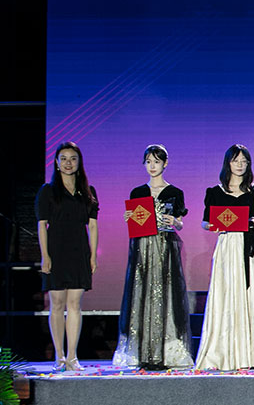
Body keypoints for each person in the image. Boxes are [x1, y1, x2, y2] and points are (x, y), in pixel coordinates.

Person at [112, 144, 193, 370]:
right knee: (141, 292)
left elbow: (180, 223)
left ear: (165, 163)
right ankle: (139, 351)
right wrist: (129, 217)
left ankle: (167, 350)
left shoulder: (174, 192)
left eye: (156, 161)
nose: (152, 166)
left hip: (165, 247)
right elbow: (135, 222)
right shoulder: (138, 192)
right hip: (142, 248)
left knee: (166, 293)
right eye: (148, 162)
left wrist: (175, 222)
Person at [194, 144, 254, 370]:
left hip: (250, 246)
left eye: (244, 161)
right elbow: (205, 222)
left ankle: (253, 355)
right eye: (236, 160)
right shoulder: (215, 192)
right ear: (227, 163)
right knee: (227, 293)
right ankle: (224, 353)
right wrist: (213, 225)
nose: (240, 165)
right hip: (228, 245)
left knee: (251, 295)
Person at [36, 142, 99, 372]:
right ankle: (59, 356)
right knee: (57, 304)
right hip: (56, 252)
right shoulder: (47, 191)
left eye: (73, 158)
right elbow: (42, 225)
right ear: (56, 163)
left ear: (79, 162)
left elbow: (93, 226)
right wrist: (45, 256)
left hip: (79, 252)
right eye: (63, 158)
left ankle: (72, 357)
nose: (68, 163)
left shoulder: (88, 192)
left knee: (74, 304)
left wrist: (93, 256)